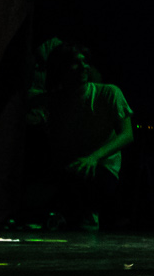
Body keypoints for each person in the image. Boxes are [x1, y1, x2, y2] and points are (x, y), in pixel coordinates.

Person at [41, 41, 134, 231]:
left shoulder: (108, 93)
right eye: (76, 63)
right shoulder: (57, 101)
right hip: (73, 165)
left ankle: (81, 216)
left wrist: (94, 157)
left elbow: (127, 134)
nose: (84, 66)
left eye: (85, 61)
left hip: (103, 167)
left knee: (84, 179)